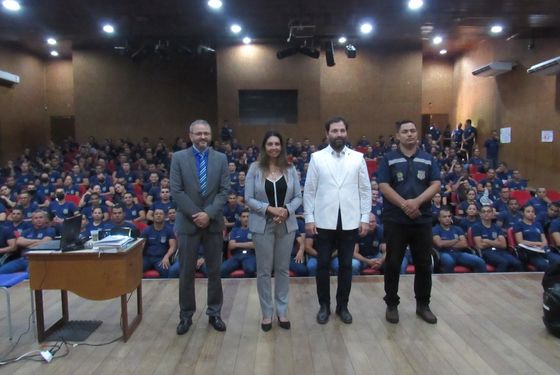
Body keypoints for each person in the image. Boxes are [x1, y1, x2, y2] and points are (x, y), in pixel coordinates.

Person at [304, 116, 371, 325]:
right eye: (334, 131)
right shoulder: (316, 158)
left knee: (346, 265)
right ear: (327, 134)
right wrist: (309, 218)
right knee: (322, 264)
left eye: (342, 130)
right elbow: (310, 191)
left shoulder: (358, 158)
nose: (339, 134)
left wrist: (365, 218)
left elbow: (365, 190)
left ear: (346, 133)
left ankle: (343, 306)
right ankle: (324, 305)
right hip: (324, 220)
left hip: (350, 221)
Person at [378, 120, 441, 324]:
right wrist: (405, 205)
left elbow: (436, 184)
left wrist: (417, 203)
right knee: (393, 263)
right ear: (398, 136)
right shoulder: (388, 159)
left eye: (413, 131)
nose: (409, 134)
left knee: (424, 264)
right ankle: (392, 304)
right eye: (405, 131)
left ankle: (423, 305)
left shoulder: (428, 159)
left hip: (421, 220)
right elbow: (384, 186)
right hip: (395, 220)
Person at [170, 119, 230, 335]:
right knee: (186, 272)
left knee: (214, 271)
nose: (203, 137)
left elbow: (225, 191)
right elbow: (176, 191)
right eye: (198, 133)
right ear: (191, 135)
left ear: (211, 135)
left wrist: (209, 214)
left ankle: (215, 313)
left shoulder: (221, 158)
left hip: (213, 223)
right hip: (188, 223)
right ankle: (186, 316)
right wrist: (197, 214)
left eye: (206, 133)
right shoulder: (178, 158)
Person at [245, 131, 302, 331]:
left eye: (277, 143)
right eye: (270, 144)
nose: (274, 147)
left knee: (283, 270)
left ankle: (282, 311)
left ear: (282, 146)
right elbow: (248, 198)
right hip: (262, 224)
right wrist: (270, 209)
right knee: (263, 271)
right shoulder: (254, 168)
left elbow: (298, 197)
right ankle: (267, 313)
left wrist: (286, 211)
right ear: (264, 146)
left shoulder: (290, 168)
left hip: (286, 224)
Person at [433, 208, 487, 273]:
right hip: (443, 253)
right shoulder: (435, 229)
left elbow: (464, 244)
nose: (447, 218)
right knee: (449, 262)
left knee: (480, 262)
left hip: (459, 253)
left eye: (449, 216)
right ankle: (449, 282)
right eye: (444, 217)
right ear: (439, 218)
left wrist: (446, 244)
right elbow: (439, 244)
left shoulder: (458, 228)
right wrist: (456, 240)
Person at [472, 206, 523, 272]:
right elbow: (480, 246)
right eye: (484, 212)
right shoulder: (476, 227)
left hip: (501, 251)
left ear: (492, 214)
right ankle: (496, 281)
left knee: (517, 263)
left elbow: (503, 245)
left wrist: (488, 241)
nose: (486, 213)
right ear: (480, 214)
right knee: (503, 262)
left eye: (488, 211)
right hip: (486, 252)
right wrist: (496, 242)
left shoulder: (497, 227)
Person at [220, 210, 256, 278]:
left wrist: (237, 244)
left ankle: (247, 287)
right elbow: (231, 246)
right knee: (221, 270)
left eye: (248, 217)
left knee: (250, 269)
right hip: (236, 256)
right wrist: (248, 244)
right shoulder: (235, 230)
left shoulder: (255, 230)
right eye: (243, 217)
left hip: (250, 256)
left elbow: (255, 245)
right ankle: (232, 286)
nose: (246, 219)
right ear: (240, 218)